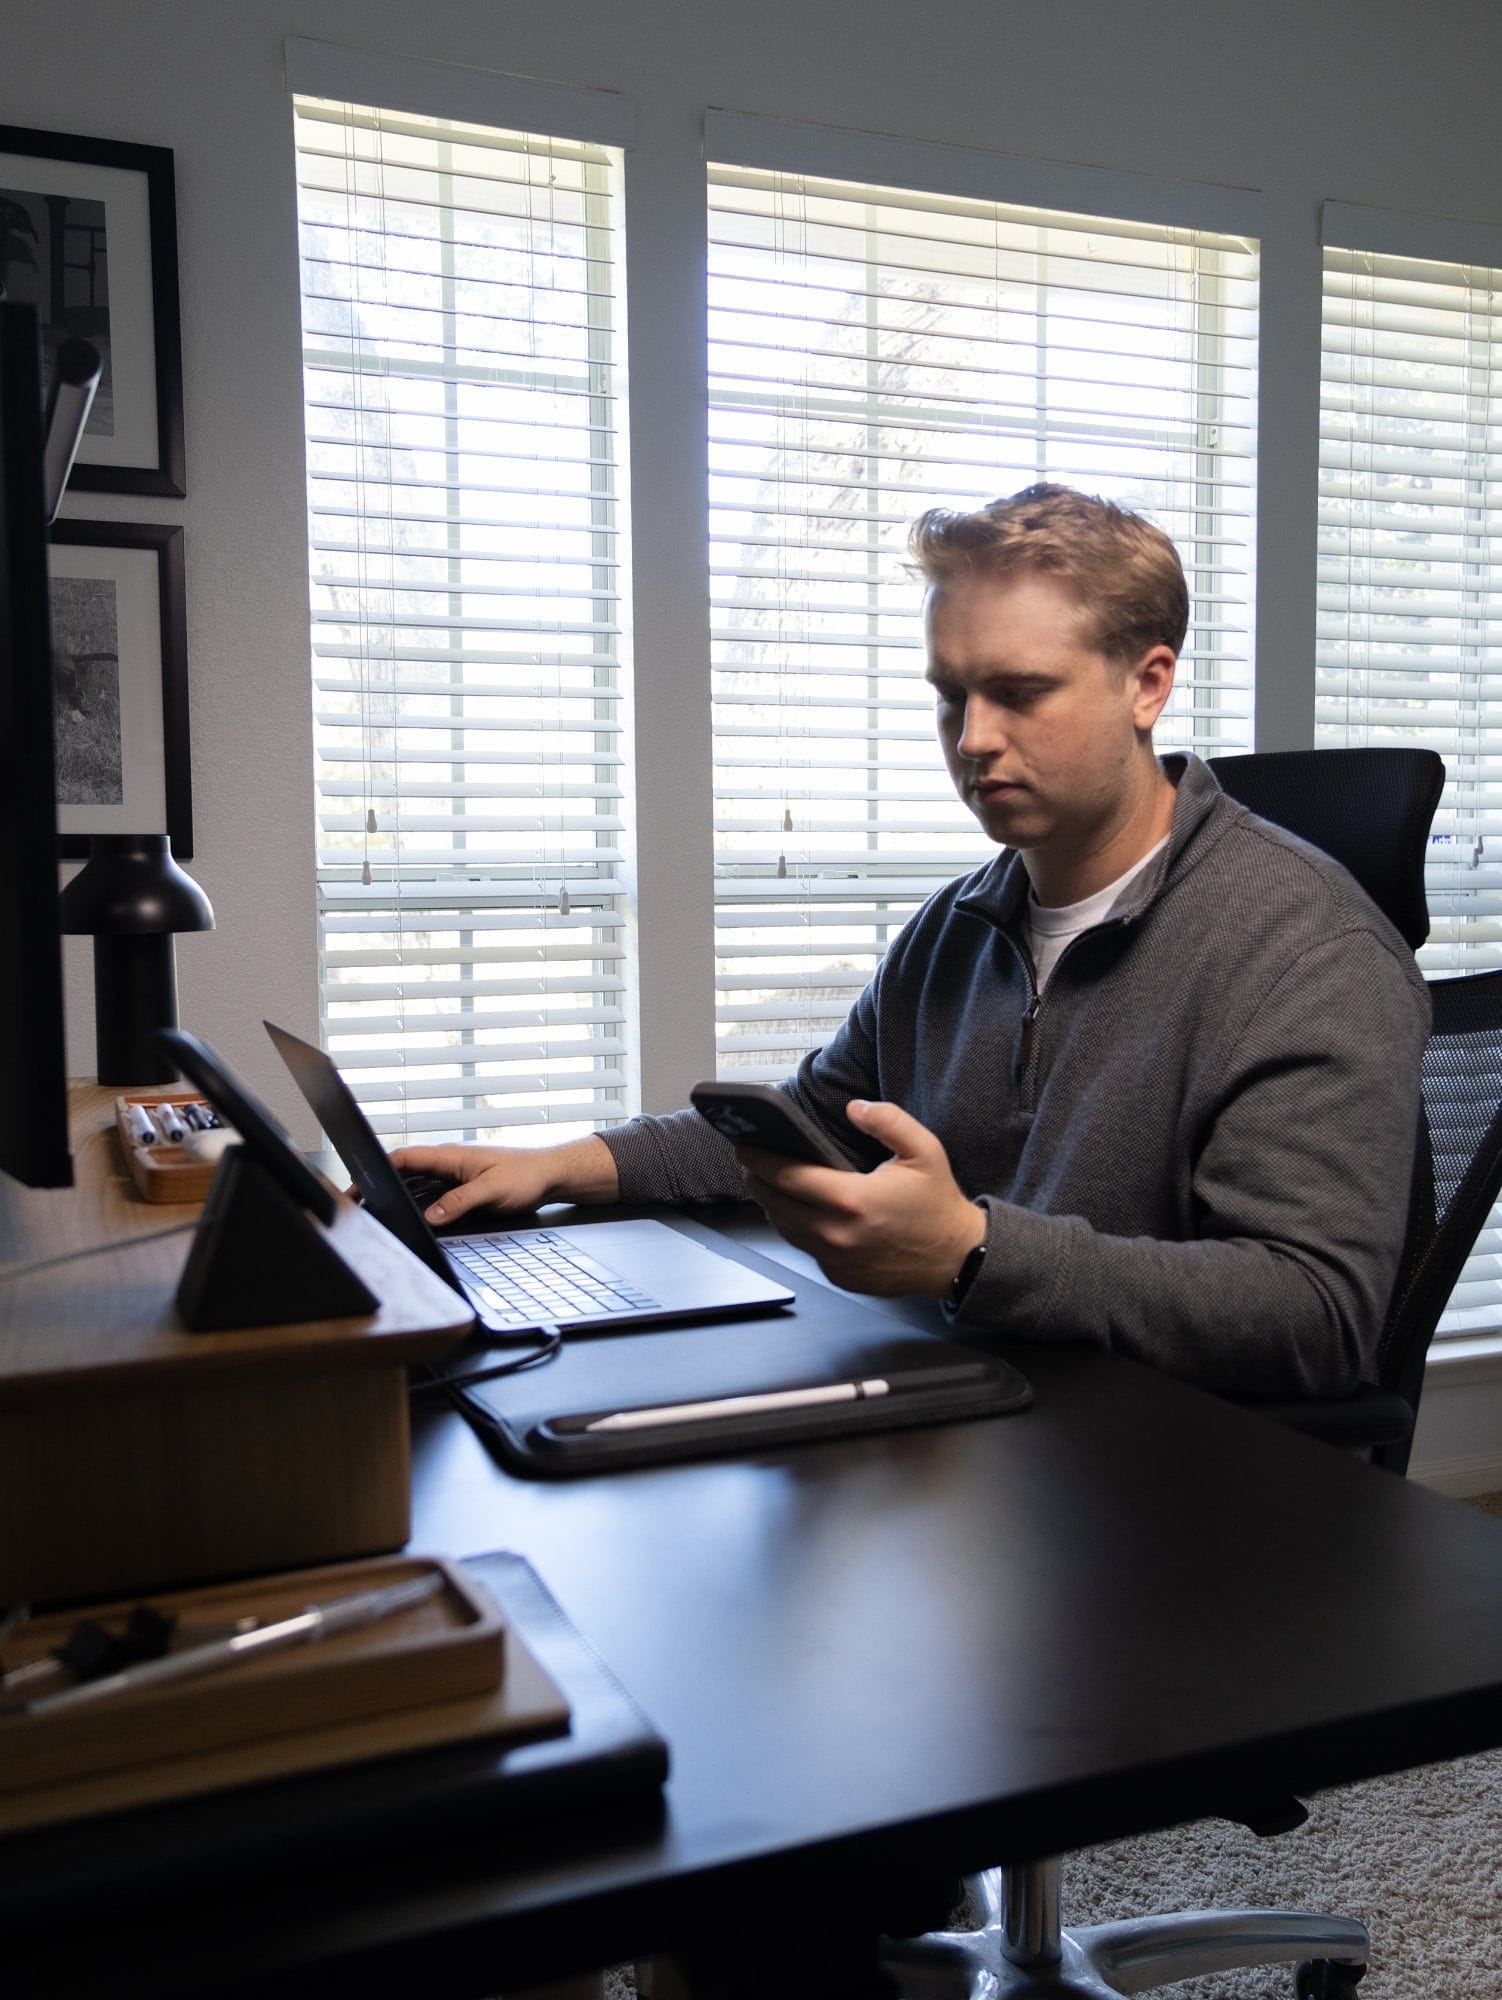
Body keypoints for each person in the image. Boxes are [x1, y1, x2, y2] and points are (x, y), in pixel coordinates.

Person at [392, 484, 1431, 1400]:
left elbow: (1313, 1312)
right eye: (950, 696)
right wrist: (557, 1163)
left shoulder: (1306, 948)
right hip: (986, 1420)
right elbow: (813, 1124)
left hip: (1181, 1492)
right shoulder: (957, 925)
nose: (972, 737)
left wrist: (971, 1250)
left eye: (1018, 692)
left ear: (1145, 684)